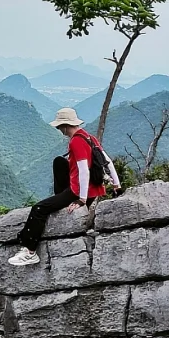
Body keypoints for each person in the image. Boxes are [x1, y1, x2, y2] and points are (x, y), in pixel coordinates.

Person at [8, 106, 121, 267]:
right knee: (59, 162)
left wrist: (81, 199)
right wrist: (117, 185)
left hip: (79, 190)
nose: (60, 130)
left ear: (66, 125)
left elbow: (83, 171)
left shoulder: (76, 141)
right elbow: (107, 161)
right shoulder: (90, 138)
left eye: (60, 126)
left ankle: (30, 251)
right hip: (91, 190)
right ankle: (60, 198)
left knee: (39, 209)